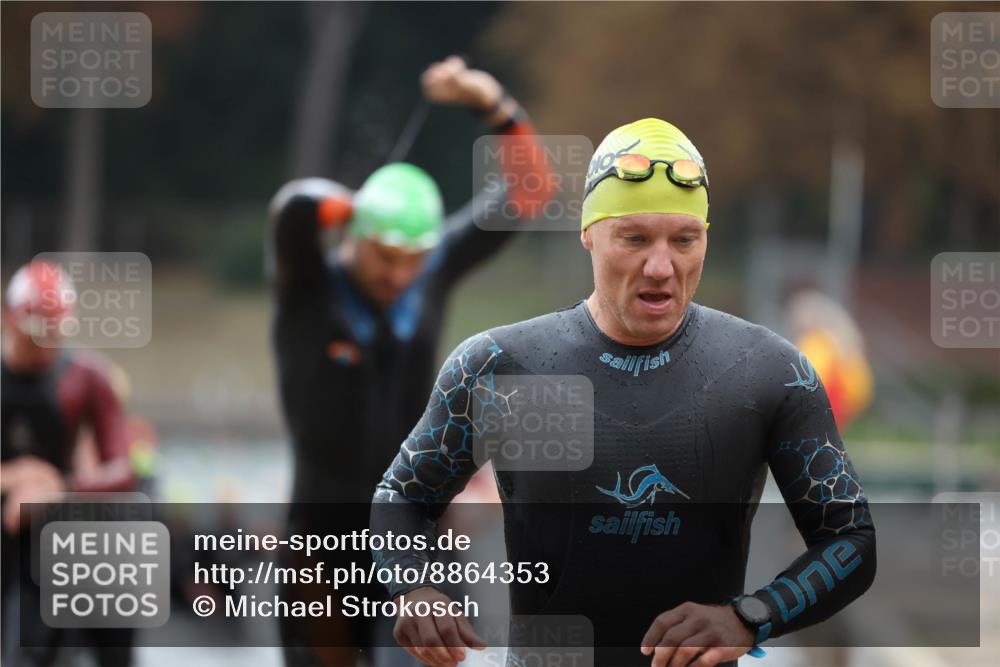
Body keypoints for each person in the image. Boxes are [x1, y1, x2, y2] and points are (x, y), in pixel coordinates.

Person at [371, 118, 877, 667]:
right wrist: (415, 590)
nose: (661, 266)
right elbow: (402, 498)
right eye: (634, 238)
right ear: (588, 233)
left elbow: (850, 539)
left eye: (685, 240)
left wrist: (749, 616)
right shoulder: (497, 366)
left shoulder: (769, 371)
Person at [268, 56, 551, 665]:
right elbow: (293, 208)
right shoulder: (308, 289)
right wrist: (363, 205)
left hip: (412, 532)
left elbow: (529, 193)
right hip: (319, 544)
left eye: (412, 257)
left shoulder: (433, 269)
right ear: (354, 236)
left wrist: (491, 102)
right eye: (384, 254)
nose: (398, 273)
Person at [1, 260, 136, 667]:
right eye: (36, 335)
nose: (46, 346)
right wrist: (14, 476)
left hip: (55, 525)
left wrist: (58, 487)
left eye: (55, 334)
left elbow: (124, 471)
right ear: (10, 321)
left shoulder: (88, 377)